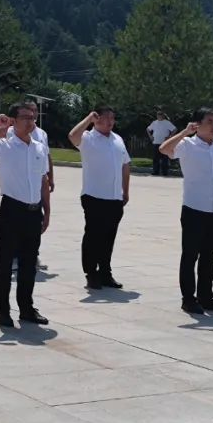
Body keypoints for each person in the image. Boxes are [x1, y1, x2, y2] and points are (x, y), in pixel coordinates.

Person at [0, 103, 51, 328]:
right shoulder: (4, 146)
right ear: (13, 121)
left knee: (29, 264)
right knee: (6, 263)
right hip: (12, 210)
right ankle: (3, 311)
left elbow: (43, 180)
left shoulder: (39, 148)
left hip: (34, 211)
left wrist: (47, 211)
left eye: (32, 117)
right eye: (25, 117)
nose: (30, 121)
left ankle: (26, 308)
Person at [159, 108, 213, 315]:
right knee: (190, 255)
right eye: (209, 121)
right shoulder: (187, 145)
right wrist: (184, 132)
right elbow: (164, 149)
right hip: (194, 209)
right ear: (197, 124)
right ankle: (188, 299)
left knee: (209, 257)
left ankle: (206, 297)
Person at [68, 106, 131, 290]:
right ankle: (91, 273)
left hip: (115, 197)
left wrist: (125, 191)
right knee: (93, 236)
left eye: (112, 118)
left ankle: (105, 272)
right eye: (105, 118)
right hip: (94, 196)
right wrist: (88, 119)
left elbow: (125, 165)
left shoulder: (117, 139)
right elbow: (72, 136)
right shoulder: (87, 138)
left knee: (109, 237)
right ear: (96, 119)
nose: (110, 122)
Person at [147, 110, 177, 176]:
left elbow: (174, 129)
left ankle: (165, 172)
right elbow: (148, 129)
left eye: (160, 114)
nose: (159, 115)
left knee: (164, 158)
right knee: (155, 158)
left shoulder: (167, 123)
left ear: (163, 115)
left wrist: (170, 137)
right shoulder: (154, 122)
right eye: (158, 114)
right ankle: (155, 171)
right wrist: (150, 136)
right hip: (156, 142)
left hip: (164, 143)